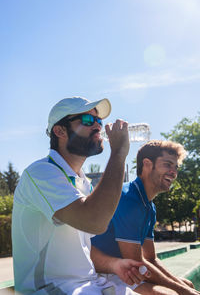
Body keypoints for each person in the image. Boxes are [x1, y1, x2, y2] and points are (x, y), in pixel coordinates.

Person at [12, 96, 145, 295]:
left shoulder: (83, 182)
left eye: (98, 121)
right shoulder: (41, 173)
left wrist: (114, 264)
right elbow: (95, 222)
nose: (98, 127)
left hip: (87, 284)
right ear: (60, 131)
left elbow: (83, 248)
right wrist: (118, 153)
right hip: (48, 289)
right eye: (88, 120)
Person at [92, 140, 200, 295]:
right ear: (148, 164)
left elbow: (151, 258)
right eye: (167, 164)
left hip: (126, 271)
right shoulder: (129, 198)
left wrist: (185, 288)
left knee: (186, 284)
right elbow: (138, 264)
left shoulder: (149, 206)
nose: (174, 172)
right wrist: (184, 291)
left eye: (176, 167)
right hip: (103, 272)